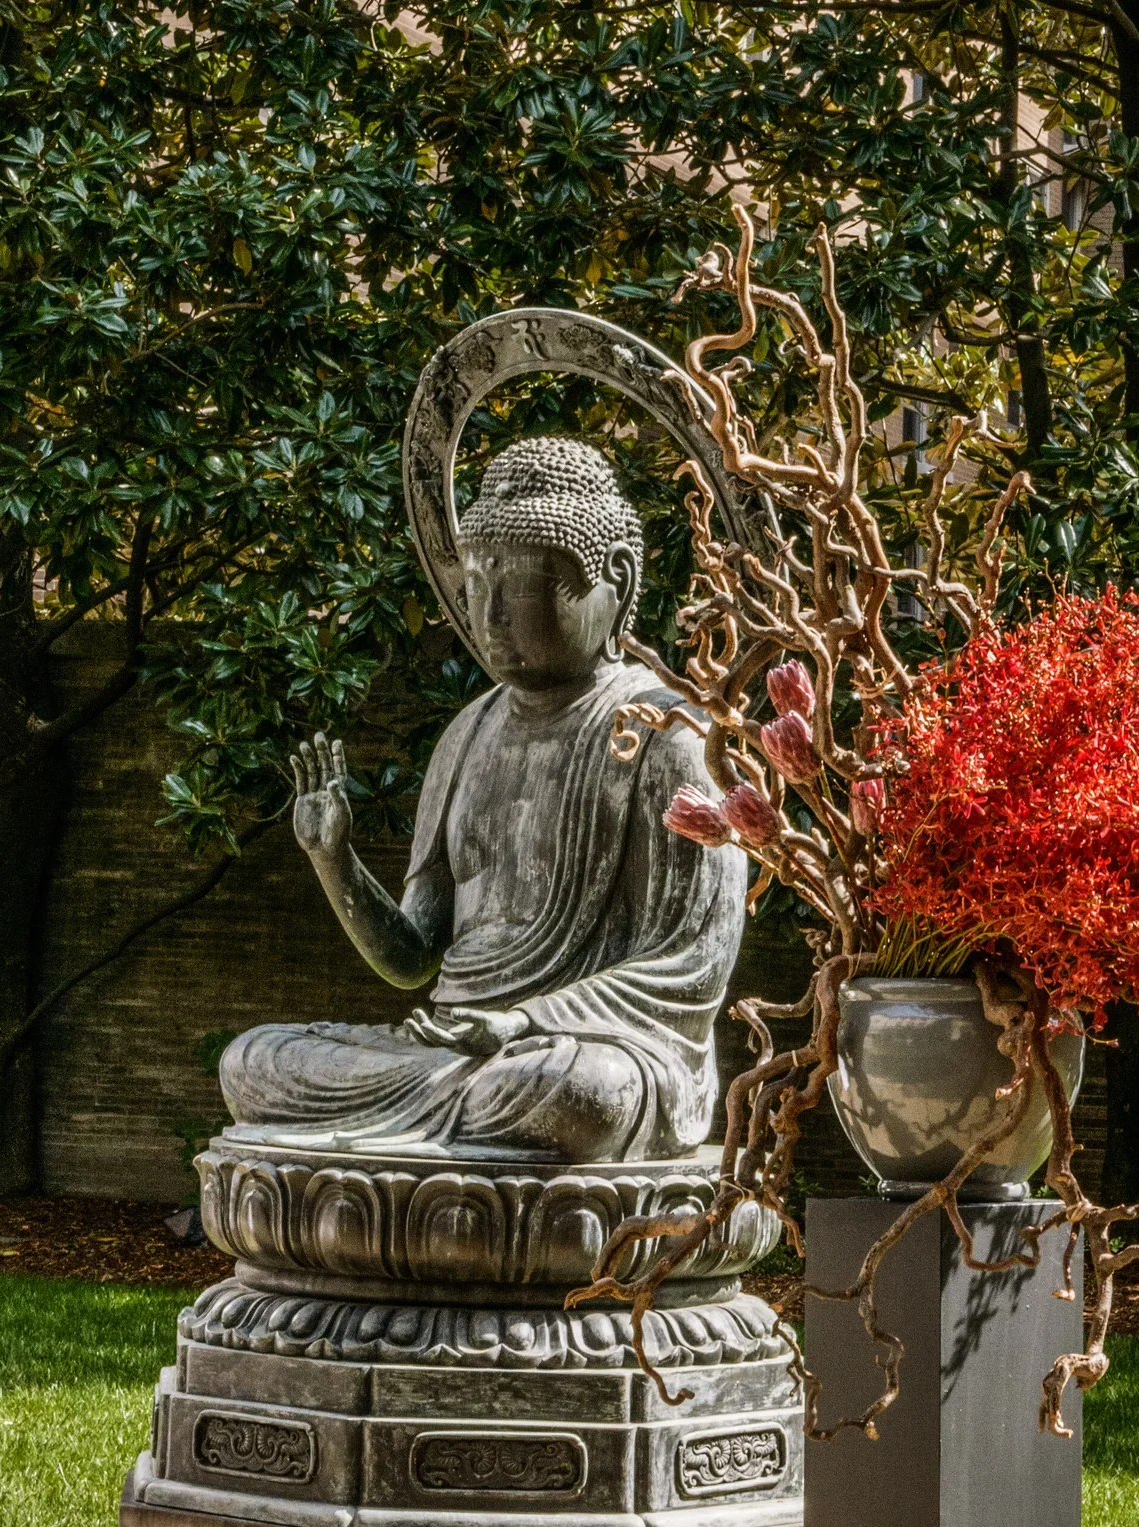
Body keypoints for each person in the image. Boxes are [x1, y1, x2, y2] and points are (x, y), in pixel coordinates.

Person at [219, 437, 747, 1164]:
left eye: (523, 588)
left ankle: (432, 1128)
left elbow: (692, 964)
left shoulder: (667, 737)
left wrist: (524, 1022)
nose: (491, 616)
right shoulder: (465, 735)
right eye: (475, 585)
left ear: (617, 581)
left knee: (583, 1094)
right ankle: (434, 1123)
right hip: (449, 1049)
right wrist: (332, 858)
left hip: (572, 1051)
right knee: (255, 1062)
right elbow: (412, 957)